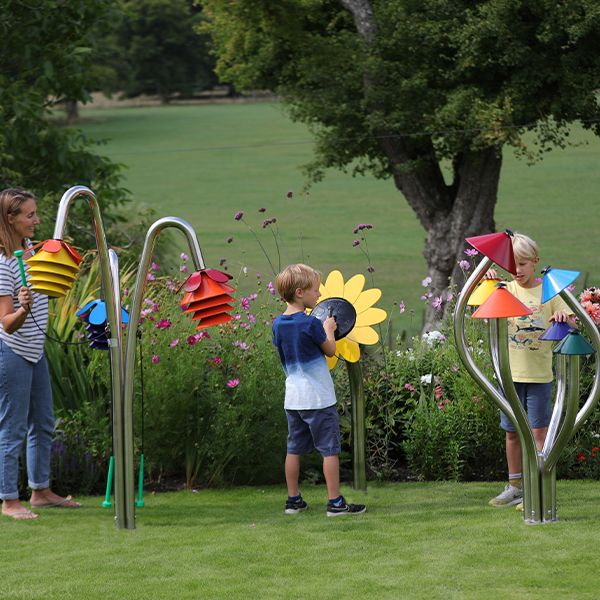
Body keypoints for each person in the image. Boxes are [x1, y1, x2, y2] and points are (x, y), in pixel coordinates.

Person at [0, 188, 80, 520]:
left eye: (36, 213)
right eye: (29, 215)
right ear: (10, 219)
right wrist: (24, 308)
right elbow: (6, 323)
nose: (37, 220)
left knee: (43, 424)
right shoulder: (4, 263)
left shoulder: (31, 252)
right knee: (13, 427)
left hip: (35, 351)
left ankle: (41, 491)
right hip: (12, 352)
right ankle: (8, 500)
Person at [486, 232, 573, 510]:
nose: (517, 270)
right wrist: (486, 284)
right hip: (509, 378)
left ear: (535, 262)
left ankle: (535, 487)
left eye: (523, 264)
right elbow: (482, 305)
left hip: (538, 377)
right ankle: (515, 487)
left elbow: (571, 324)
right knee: (511, 433)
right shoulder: (505, 289)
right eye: (513, 264)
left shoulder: (549, 290)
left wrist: (563, 318)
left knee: (538, 434)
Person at [272, 263, 366, 517]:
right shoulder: (311, 323)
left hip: (293, 398)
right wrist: (328, 329)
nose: (319, 295)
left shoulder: (278, 325)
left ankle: (293, 500)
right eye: (316, 291)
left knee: (293, 449)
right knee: (329, 450)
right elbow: (330, 350)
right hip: (318, 398)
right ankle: (335, 502)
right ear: (300, 292)